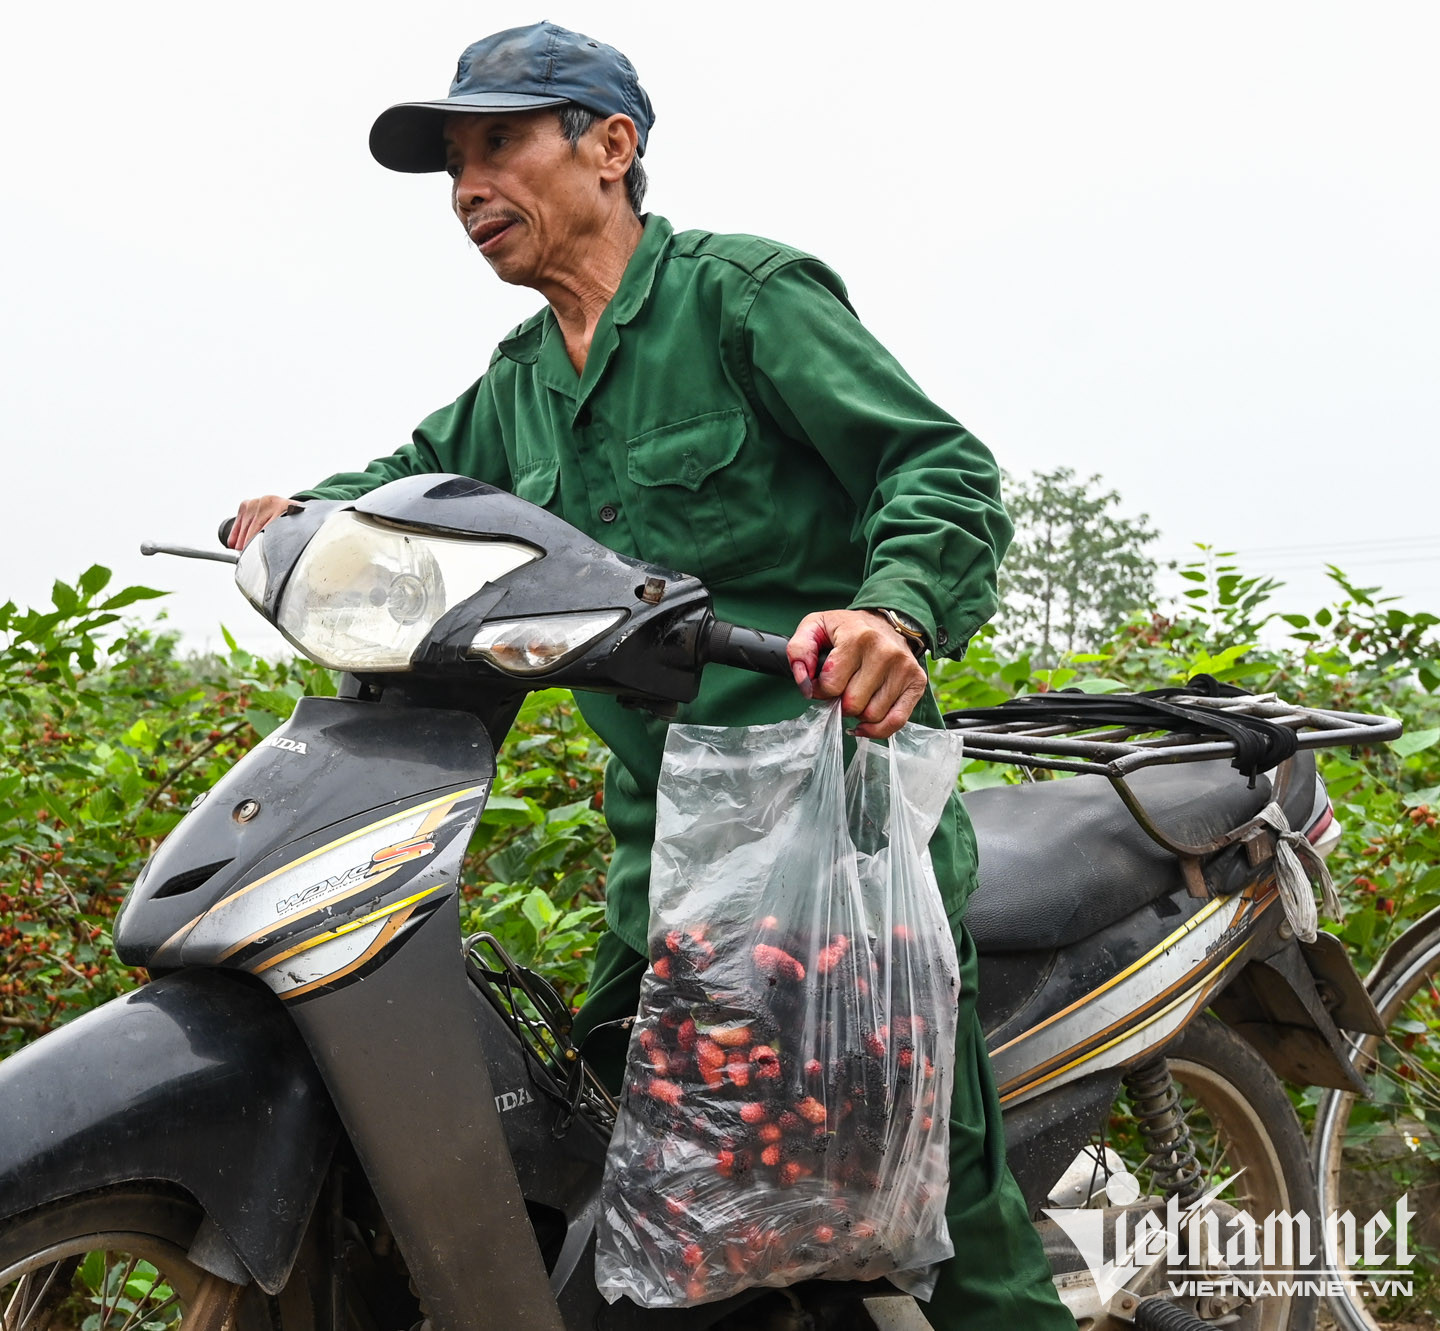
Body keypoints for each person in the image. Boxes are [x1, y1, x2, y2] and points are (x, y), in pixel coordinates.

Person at [227, 21, 1070, 1329]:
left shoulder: (743, 300)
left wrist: (892, 612)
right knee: (613, 1165)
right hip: (667, 859)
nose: (467, 190)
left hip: (836, 842)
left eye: (497, 146)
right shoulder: (519, 387)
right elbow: (410, 489)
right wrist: (301, 514)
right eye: (453, 167)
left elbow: (936, 466)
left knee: (936, 1211)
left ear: (611, 146)